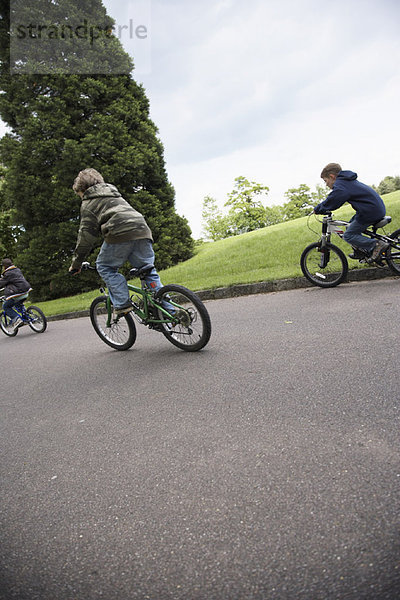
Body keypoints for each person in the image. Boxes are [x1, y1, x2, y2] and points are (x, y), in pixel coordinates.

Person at [69, 168, 163, 314]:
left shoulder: (88, 203)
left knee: (104, 266)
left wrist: (76, 263)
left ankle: (122, 304)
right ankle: (169, 311)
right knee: (148, 270)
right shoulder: (113, 193)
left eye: (80, 195)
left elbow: (86, 237)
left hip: (119, 233)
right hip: (142, 230)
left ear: (83, 190)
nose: (81, 198)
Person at [314, 163, 388, 262]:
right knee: (349, 226)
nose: (326, 184)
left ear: (332, 176)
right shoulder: (346, 181)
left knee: (348, 235)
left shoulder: (341, 185)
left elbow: (333, 200)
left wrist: (319, 209)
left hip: (369, 212)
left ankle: (376, 245)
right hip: (372, 209)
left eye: (325, 181)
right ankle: (361, 251)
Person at [0, 258, 32, 329]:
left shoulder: (7, 273)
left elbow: (2, 283)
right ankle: (27, 315)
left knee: (6, 306)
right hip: (26, 291)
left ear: (4, 266)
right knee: (18, 303)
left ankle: (17, 319)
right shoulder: (17, 270)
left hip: (17, 293)